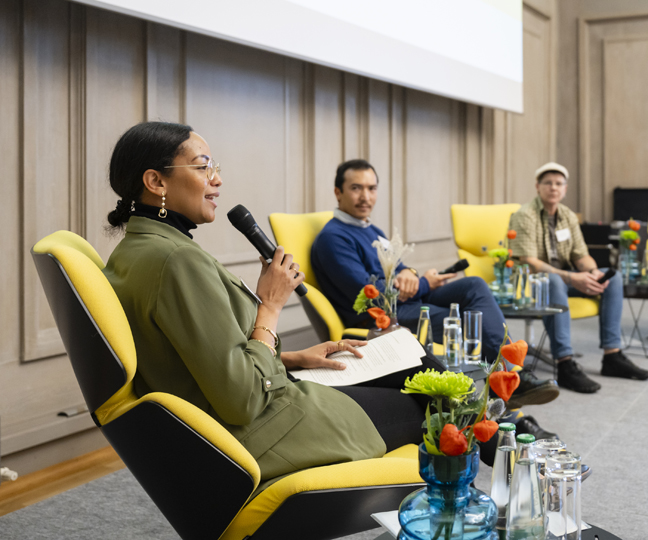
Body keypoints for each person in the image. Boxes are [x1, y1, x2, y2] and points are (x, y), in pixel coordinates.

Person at [102, 122, 497, 483]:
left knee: (415, 361)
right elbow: (241, 400)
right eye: (204, 167)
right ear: (156, 181)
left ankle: (505, 431)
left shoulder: (137, 251)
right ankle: (493, 466)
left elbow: (195, 358)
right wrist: (270, 305)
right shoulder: (175, 261)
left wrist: (293, 357)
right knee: (436, 405)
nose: (218, 179)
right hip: (268, 427)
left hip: (268, 397)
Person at [311, 159, 559, 438]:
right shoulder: (333, 238)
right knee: (468, 321)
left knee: (474, 286)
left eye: (371, 188)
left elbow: (401, 268)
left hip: (407, 300)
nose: (366, 196)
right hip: (380, 317)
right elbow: (373, 296)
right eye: (356, 188)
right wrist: (422, 282)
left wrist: (415, 274)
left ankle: (511, 376)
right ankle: (508, 403)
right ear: (338, 192)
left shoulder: (371, 229)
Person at [509, 162, 648, 394]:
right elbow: (529, 262)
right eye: (548, 183)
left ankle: (612, 356)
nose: (553, 188)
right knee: (552, 280)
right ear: (537, 187)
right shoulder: (524, 216)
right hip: (530, 284)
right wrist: (572, 278)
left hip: (564, 279)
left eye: (558, 184)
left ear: (565, 189)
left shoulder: (568, 216)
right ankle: (565, 363)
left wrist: (593, 272)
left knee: (611, 277)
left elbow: (581, 255)